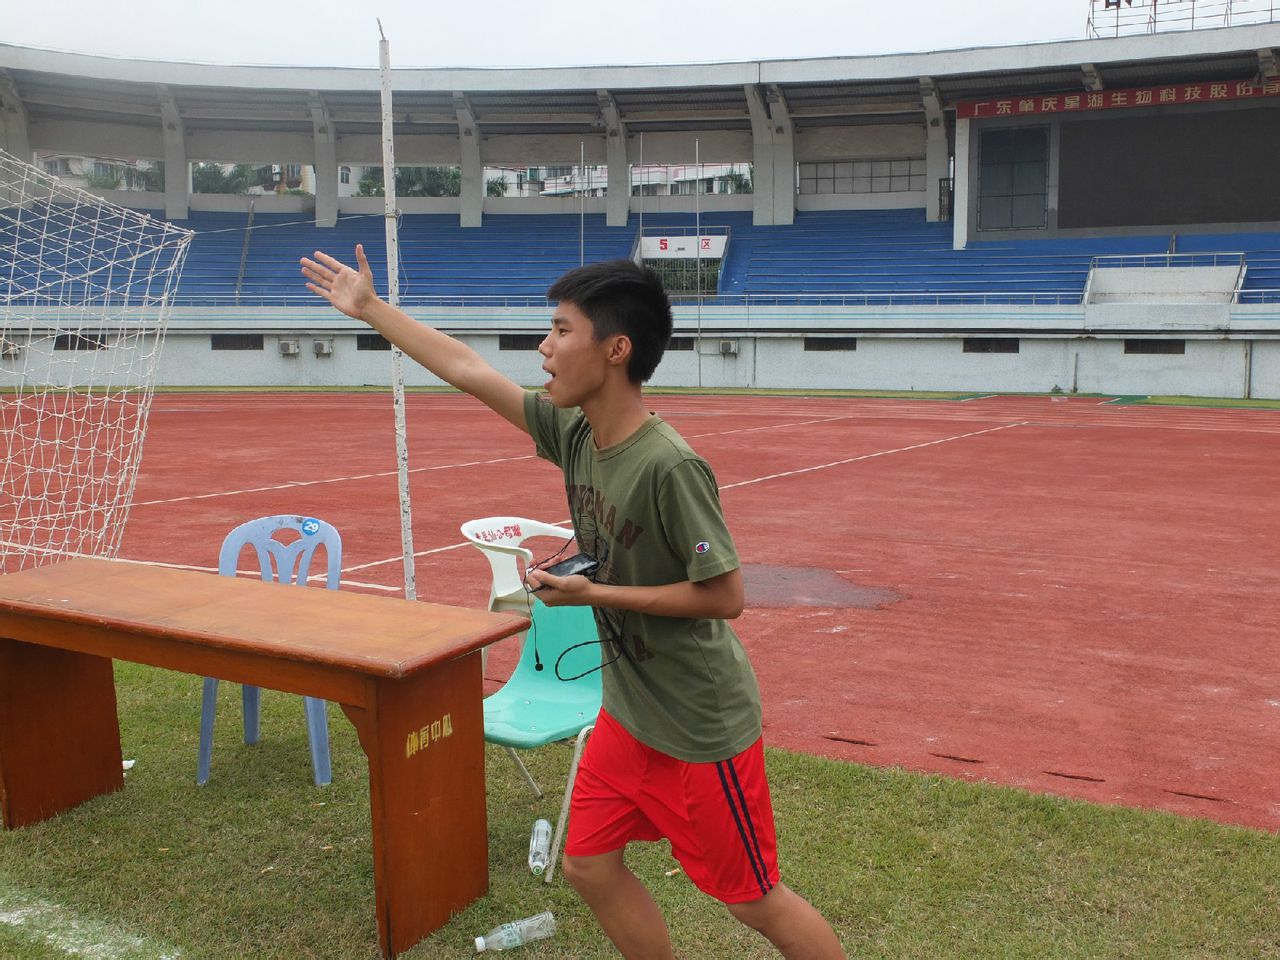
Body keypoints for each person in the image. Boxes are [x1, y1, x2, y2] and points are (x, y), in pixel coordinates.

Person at [300, 246, 845, 960]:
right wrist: (370, 310)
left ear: (616, 349)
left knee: (751, 898)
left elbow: (726, 596)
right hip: (629, 713)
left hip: (699, 723)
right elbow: (471, 371)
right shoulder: (577, 432)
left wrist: (595, 594)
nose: (544, 347)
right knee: (588, 864)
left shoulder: (668, 464)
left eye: (561, 330)